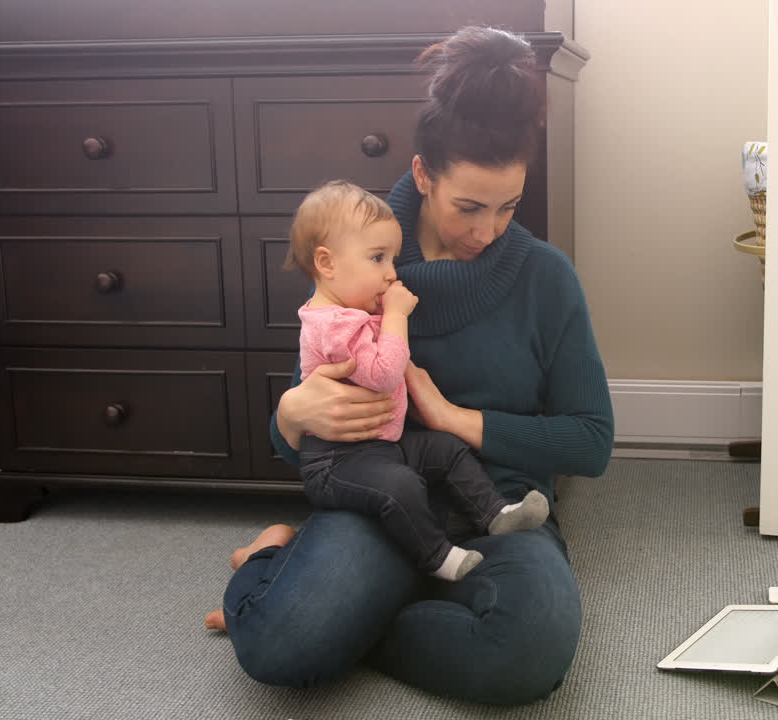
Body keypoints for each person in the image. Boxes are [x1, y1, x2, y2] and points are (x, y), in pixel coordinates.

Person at [204, 26, 614, 705]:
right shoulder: (358, 259)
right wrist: (290, 414)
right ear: (424, 175)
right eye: (469, 208)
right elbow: (304, 444)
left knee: (529, 651)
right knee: (276, 645)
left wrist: (457, 420)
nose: (488, 231)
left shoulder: (546, 278)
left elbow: (591, 441)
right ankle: (276, 555)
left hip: (500, 505)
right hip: (380, 499)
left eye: (508, 205)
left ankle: (356, 617)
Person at [290, 179, 551, 583]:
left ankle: (495, 512)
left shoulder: (352, 311)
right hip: (337, 462)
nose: (392, 273)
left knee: (446, 449)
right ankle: (437, 557)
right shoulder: (333, 326)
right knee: (402, 486)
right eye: (377, 258)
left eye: (392, 258)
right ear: (326, 264)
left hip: (381, 445)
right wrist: (396, 317)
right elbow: (383, 374)